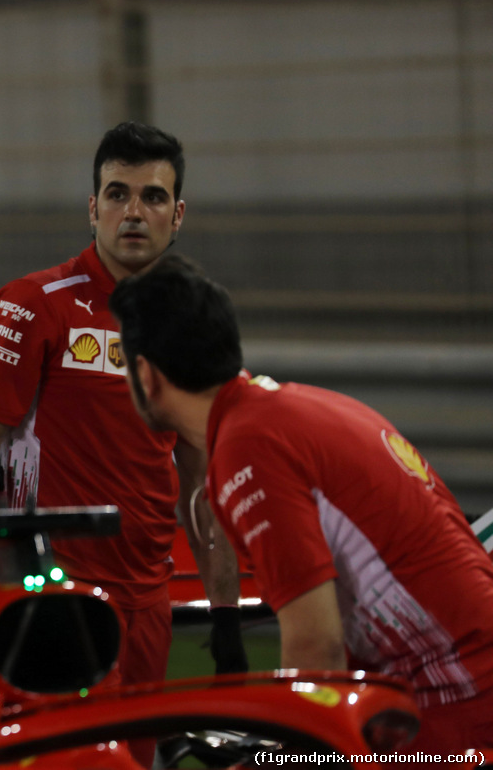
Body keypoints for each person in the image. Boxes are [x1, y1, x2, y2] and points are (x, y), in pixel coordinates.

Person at [110, 253, 493, 757]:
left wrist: (276, 755)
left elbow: (316, 648)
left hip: (454, 709)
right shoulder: (301, 407)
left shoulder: (247, 449)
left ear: (147, 374)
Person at [0, 122, 246, 694]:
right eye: (118, 194)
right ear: (93, 208)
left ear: (177, 216)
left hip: (150, 600)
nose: (133, 212)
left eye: (153, 197)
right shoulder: (33, 304)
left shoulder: (188, 323)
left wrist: (226, 615)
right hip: (55, 593)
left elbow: (204, 483)